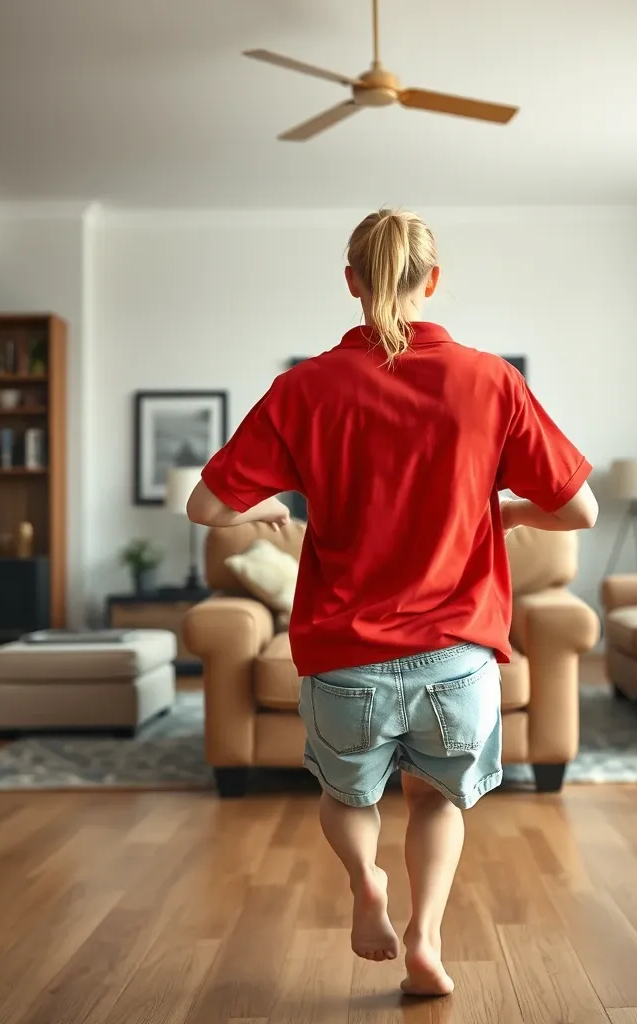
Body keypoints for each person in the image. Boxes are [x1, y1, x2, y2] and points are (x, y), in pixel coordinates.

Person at [186, 209, 598, 997]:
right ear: (432, 281)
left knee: (348, 798)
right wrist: (506, 510)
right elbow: (581, 510)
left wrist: (264, 508)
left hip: (346, 659)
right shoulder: (491, 380)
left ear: (350, 283)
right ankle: (426, 938)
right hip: (458, 658)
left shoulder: (304, 388)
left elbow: (206, 508)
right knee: (437, 800)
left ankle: (366, 884)